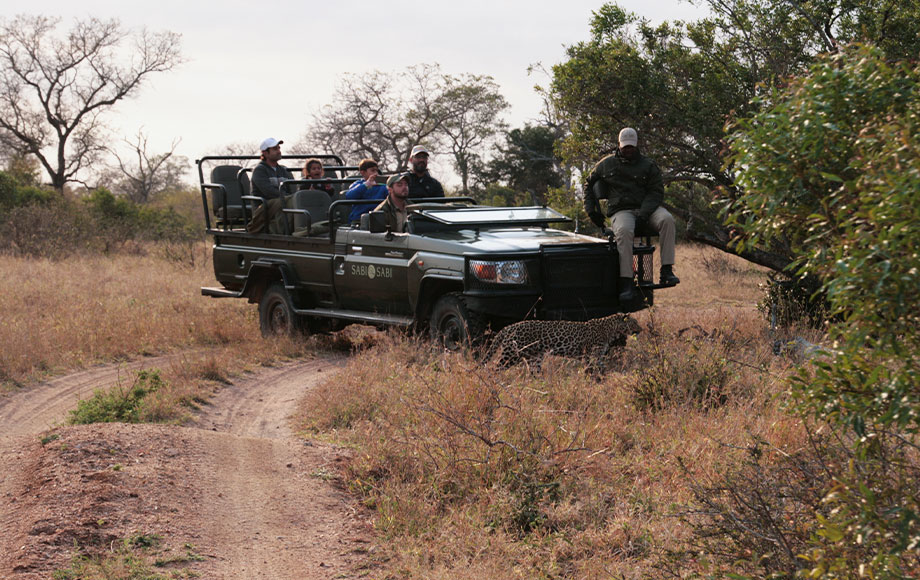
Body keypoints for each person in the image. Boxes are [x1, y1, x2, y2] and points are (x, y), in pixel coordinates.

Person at [583, 127, 679, 303]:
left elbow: (656, 192)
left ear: (636, 146)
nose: (628, 150)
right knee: (625, 230)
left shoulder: (648, 165)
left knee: (667, 220)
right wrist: (591, 211)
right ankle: (626, 281)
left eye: (631, 146)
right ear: (619, 146)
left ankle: (667, 270)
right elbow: (589, 184)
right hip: (621, 210)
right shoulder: (606, 164)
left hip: (646, 210)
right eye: (625, 146)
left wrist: (643, 214)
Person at [247, 137, 295, 234]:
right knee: (291, 200)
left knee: (297, 198)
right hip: (264, 207)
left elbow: (291, 189)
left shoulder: (283, 170)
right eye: (275, 149)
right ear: (265, 153)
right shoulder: (259, 170)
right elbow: (268, 192)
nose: (278, 151)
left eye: (278, 148)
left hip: (281, 201)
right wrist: (288, 197)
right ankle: (284, 231)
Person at [344, 158, 388, 223]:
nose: (376, 173)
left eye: (376, 171)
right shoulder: (357, 184)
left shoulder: (382, 186)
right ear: (363, 172)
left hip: (379, 218)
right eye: (372, 171)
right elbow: (349, 196)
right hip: (359, 219)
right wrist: (366, 185)